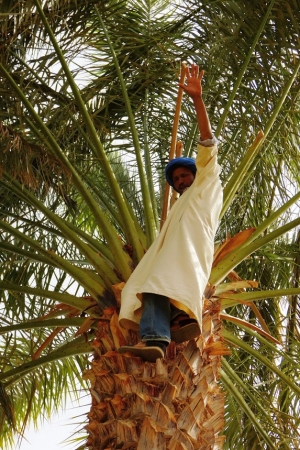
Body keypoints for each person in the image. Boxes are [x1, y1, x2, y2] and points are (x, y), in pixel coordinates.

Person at [118, 64, 223, 362]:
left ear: (196, 173)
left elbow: (208, 143)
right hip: (180, 254)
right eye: (175, 180)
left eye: (183, 175)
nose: (180, 181)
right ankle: (178, 320)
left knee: (154, 284)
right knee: (158, 284)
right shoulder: (181, 204)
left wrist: (197, 101)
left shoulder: (207, 181)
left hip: (190, 251)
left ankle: (154, 339)